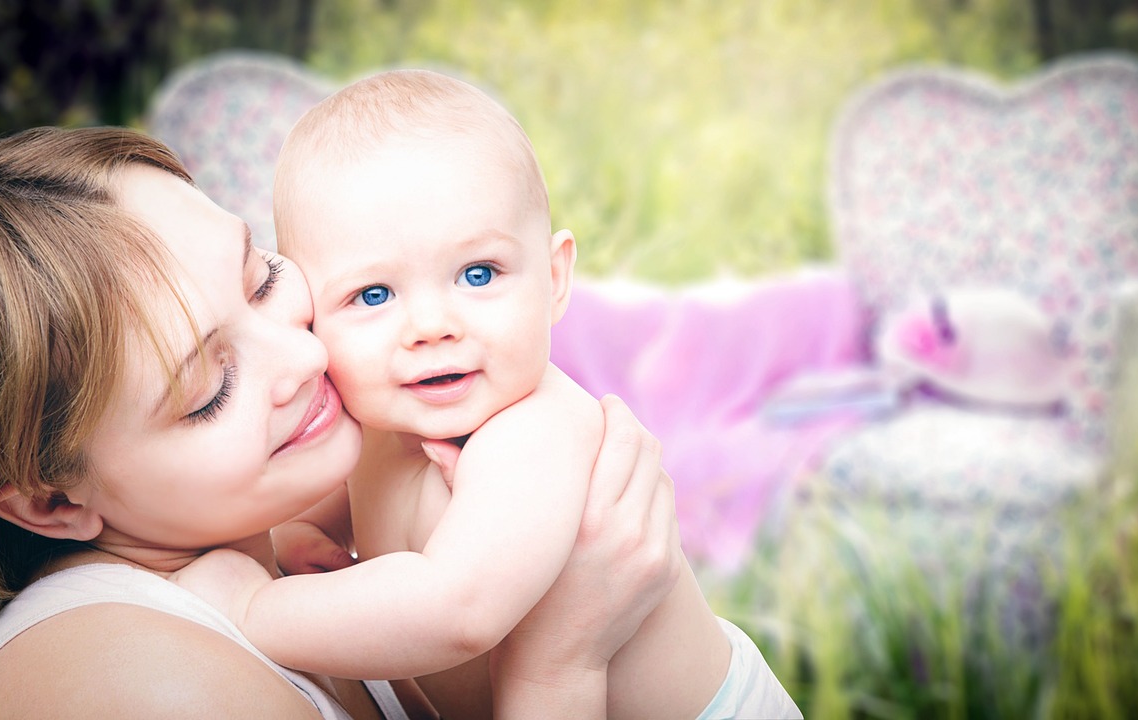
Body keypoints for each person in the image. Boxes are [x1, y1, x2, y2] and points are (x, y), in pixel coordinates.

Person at [0, 125, 684, 719]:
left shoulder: (263, 536)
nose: (305, 353)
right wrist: (558, 665)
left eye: (263, 278)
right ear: (53, 501)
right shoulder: (127, 685)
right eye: (210, 389)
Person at [186, 69, 801, 720]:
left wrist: (250, 606)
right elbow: (349, 498)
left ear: (555, 278)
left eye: (478, 274)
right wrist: (301, 531)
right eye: (374, 294)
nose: (432, 326)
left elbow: (457, 610)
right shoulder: (379, 423)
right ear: (314, 311)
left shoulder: (532, 432)